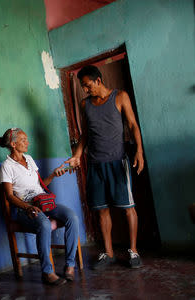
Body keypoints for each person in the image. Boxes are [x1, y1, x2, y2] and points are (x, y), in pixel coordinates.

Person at [65, 65, 144, 269]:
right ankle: (108, 253)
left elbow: (133, 125)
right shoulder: (85, 104)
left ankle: (134, 251)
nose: (85, 90)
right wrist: (77, 155)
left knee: (128, 208)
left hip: (117, 162)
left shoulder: (120, 97)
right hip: (95, 165)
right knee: (101, 210)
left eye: (87, 85)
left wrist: (139, 152)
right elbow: (86, 135)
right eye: (83, 86)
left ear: (98, 80)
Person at [0, 128, 79, 285]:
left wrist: (53, 175)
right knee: (43, 224)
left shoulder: (29, 159)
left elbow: (40, 185)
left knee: (72, 217)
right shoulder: (6, 166)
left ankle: (70, 265)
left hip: (43, 201)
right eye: (23, 140)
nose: (27, 142)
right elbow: (9, 196)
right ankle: (47, 272)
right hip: (24, 207)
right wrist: (27, 207)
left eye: (27, 139)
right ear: (14, 144)